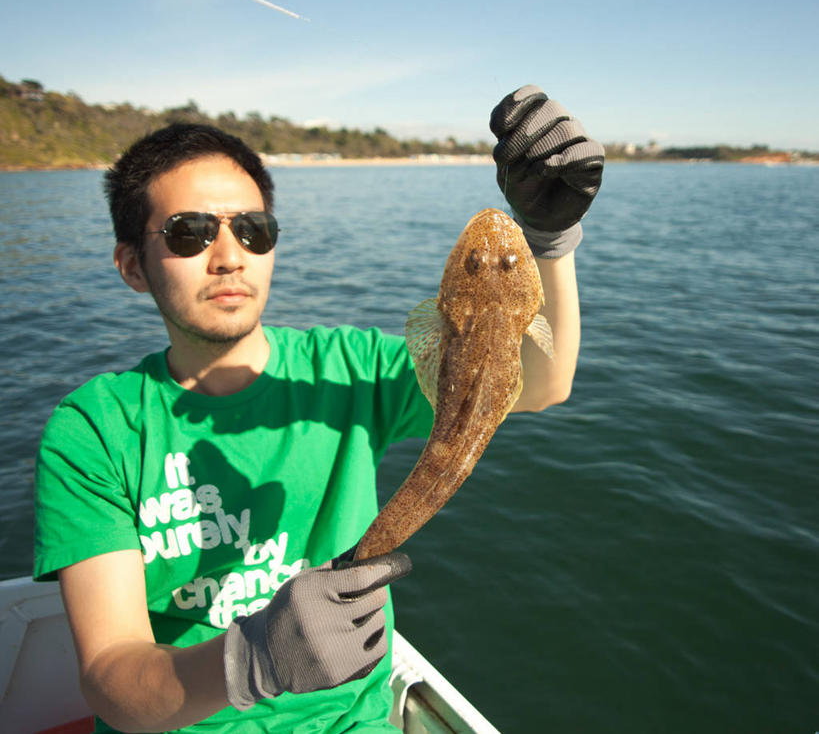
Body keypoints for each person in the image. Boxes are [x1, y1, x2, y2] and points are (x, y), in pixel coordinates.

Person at [33, 85, 604, 733]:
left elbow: (534, 386)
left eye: (252, 229)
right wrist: (247, 659)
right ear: (132, 266)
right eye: (188, 233)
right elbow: (113, 682)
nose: (228, 256)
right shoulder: (96, 430)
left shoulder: (350, 368)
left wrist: (551, 239)